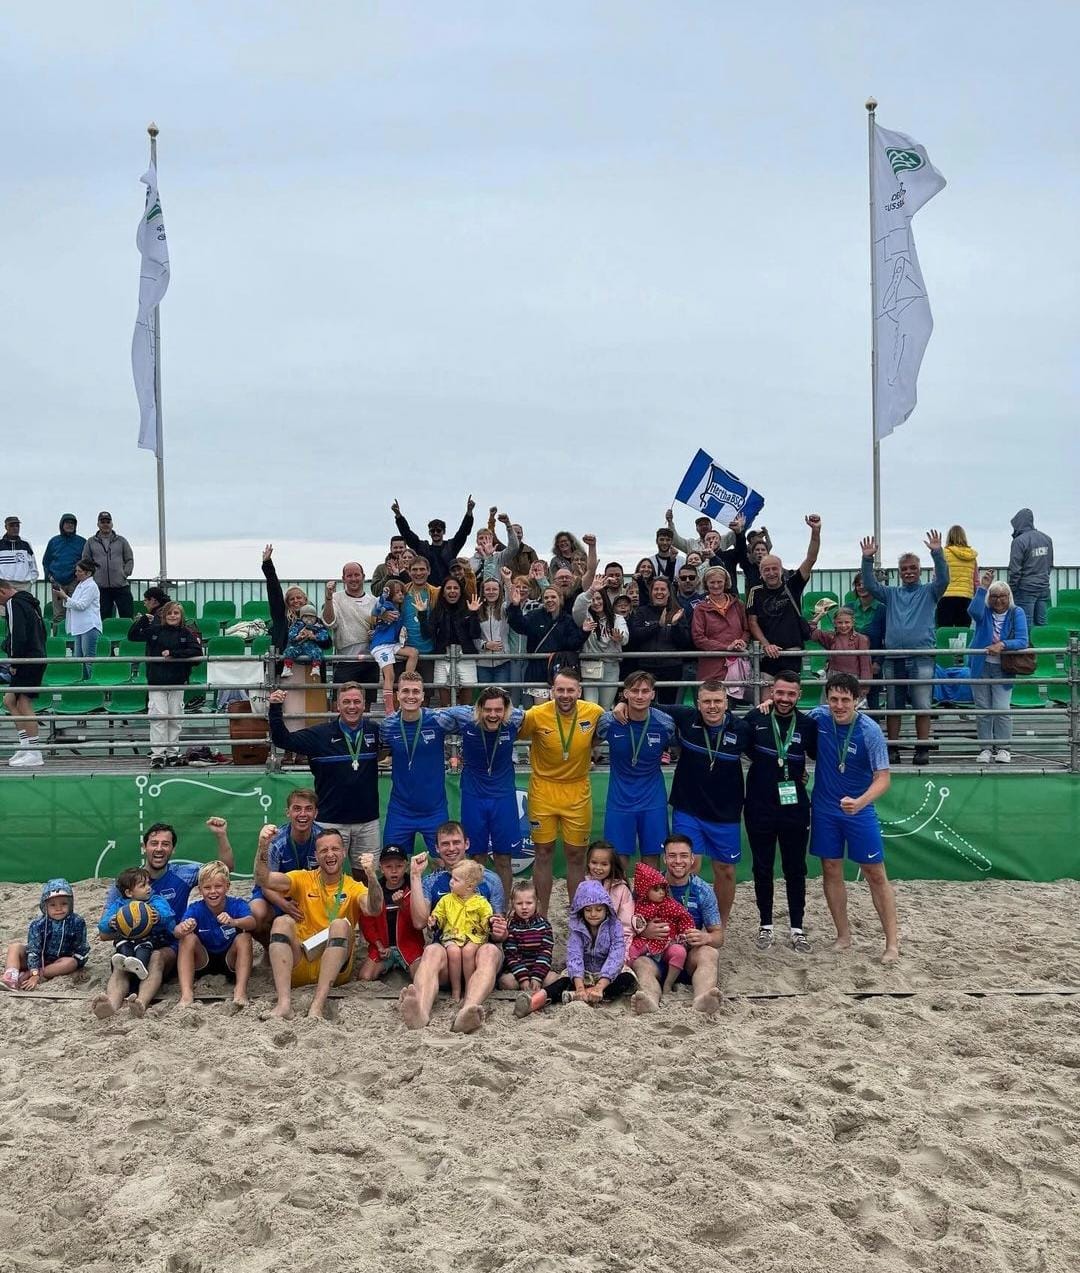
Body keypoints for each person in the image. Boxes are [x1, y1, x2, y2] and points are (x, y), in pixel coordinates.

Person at [801, 671, 898, 963]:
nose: (839, 705)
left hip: (859, 809)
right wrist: (766, 705)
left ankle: (892, 943)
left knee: (875, 873)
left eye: (845, 699)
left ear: (857, 700)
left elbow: (883, 778)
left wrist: (860, 802)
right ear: (827, 699)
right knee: (830, 868)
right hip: (825, 808)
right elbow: (786, 720)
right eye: (834, 699)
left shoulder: (869, 730)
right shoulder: (818, 717)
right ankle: (843, 936)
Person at [90, 821, 233, 1020]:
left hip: (167, 946)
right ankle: (110, 1006)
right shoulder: (125, 883)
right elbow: (104, 934)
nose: (159, 848)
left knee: (156, 957)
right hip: (131, 945)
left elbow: (224, 869)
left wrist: (220, 835)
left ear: (173, 849)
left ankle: (140, 1003)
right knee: (121, 967)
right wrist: (122, 923)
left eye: (165, 844)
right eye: (154, 843)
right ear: (144, 847)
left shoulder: (184, 873)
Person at [253, 825, 383, 1019]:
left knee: (339, 924)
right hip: (300, 962)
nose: (330, 854)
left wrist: (371, 876)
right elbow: (263, 879)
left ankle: (317, 1006)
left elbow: (374, 908)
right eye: (324, 850)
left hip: (335, 971)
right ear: (316, 855)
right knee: (281, 922)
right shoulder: (303, 878)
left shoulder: (354, 886)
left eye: (335, 849)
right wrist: (263, 847)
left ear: (344, 853)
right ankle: (284, 1004)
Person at [398, 824, 507, 1033]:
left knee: (490, 950)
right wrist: (415, 876)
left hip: (479, 955)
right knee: (431, 950)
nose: (451, 848)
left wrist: (500, 931)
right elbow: (420, 922)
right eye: (445, 844)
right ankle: (420, 1012)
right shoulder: (432, 880)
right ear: (437, 848)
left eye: (456, 842)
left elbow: (498, 926)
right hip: (448, 956)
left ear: (466, 843)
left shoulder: (490, 880)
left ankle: (467, 1010)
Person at [741, 669, 818, 952]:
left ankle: (797, 928)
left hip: (794, 808)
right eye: (780, 693)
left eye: (791, 694)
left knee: (795, 868)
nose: (785, 699)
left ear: (799, 695)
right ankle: (766, 925)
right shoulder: (755, 719)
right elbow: (741, 745)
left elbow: (819, 753)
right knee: (762, 868)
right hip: (759, 806)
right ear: (771, 692)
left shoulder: (808, 725)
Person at [267, 683, 381, 870]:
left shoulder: (374, 731)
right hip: (330, 822)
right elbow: (282, 740)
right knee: (326, 876)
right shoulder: (319, 735)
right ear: (337, 705)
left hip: (367, 822)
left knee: (367, 877)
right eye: (346, 702)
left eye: (356, 701)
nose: (351, 706)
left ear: (364, 705)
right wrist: (275, 708)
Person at [517, 670, 604, 913]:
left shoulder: (594, 712)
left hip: (577, 790)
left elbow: (599, 736)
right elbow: (510, 729)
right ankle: (541, 914)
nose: (565, 695)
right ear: (552, 691)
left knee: (576, 856)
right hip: (543, 790)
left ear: (579, 691)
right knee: (543, 853)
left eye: (570, 690)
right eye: (560, 690)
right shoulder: (536, 715)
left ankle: (577, 913)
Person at [860, 531, 949, 766]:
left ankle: (922, 749)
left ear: (920, 570)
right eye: (904, 569)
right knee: (893, 706)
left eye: (912, 568)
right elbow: (869, 584)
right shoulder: (890, 594)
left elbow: (944, 579)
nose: (909, 572)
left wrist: (937, 553)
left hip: (922, 657)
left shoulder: (930, 591)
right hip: (894, 658)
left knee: (922, 705)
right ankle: (893, 749)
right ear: (899, 573)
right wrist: (867, 559)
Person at [663, 679, 747, 923]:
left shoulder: (742, 728)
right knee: (686, 865)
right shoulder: (686, 717)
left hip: (725, 812)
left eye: (717, 701)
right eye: (707, 702)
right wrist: (622, 705)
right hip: (688, 807)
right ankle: (679, 920)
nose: (712, 707)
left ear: (726, 703)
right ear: (698, 703)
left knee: (726, 871)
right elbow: (648, 703)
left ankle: (717, 924)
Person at [436, 687, 524, 901]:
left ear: (506, 710)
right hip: (474, 796)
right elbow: (435, 714)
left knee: (503, 857)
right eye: (487, 710)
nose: (493, 715)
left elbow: (546, 713)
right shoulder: (466, 719)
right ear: (478, 709)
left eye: (498, 710)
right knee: (476, 857)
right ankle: (476, 905)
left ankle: (502, 908)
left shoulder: (516, 719)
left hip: (503, 797)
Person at [629, 834, 723, 1015]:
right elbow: (627, 923)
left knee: (710, 952)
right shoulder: (648, 886)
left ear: (692, 859)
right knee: (641, 963)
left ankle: (702, 999)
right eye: (672, 856)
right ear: (664, 859)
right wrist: (643, 931)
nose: (678, 861)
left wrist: (706, 936)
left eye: (684, 855)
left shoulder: (703, 890)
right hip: (656, 956)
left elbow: (719, 936)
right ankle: (649, 1000)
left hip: (688, 957)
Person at [514, 880, 636, 1014]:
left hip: (607, 973)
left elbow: (616, 955)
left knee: (626, 980)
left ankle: (575, 996)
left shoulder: (615, 926)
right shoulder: (577, 928)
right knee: (561, 983)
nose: (593, 914)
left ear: (607, 909)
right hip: (583, 973)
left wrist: (600, 986)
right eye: (588, 910)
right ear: (581, 910)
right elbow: (574, 956)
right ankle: (533, 1002)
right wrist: (579, 987)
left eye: (598, 909)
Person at [597, 671, 674, 866]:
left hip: (652, 800)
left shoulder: (665, 723)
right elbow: (587, 743)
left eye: (645, 691)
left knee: (651, 859)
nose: (640, 696)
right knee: (618, 860)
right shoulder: (608, 722)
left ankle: (647, 898)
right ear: (626, 694)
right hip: (620, 800)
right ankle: (620, 897)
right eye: (635, 691)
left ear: (652, 694)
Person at [379, 670, 454, 855]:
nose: (410, 696)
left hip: (434, 811)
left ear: (422, 696)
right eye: (405, 691)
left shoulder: (438, 720)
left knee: (443, 864)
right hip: (400, 811)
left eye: (415, 691)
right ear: (397, 695)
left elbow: (472, 721)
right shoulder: (388, 726)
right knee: (394, 866)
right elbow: (380, 751)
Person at [746, 515, 822, 682]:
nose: (771, 573)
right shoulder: (755, 591)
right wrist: (766, 645)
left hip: (792, 653)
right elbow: (752, 622)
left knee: (787, 697)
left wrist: (815, 532)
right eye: (766, 570)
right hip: (767, 656)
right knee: (765, 700)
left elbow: (811, 559)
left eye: (774, 569)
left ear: (781, 570)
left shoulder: (793, 584)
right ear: (761, 573)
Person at [238, 789, 324, 935]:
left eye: (308, 809)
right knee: (254, 914)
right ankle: (268, 948)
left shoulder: (322, 839)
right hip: (275, 892)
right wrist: (284, 905)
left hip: (311, 893)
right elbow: (265, 883)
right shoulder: (277, 841)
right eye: (297, 808)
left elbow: (329, 879)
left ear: (316, 813)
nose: (303, 814)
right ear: (288, 812)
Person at [128, 600, 202, 769]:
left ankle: (172, 753)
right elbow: (132, 635)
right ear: (163, 616)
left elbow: (197, 651)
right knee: (159, 718)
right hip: (157, 682)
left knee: (175, 719)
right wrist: (143, 620)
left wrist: (174, 654)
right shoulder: (154, 631)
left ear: (181, 615)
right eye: (169, 613)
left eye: (176, 613)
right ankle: (158, 755)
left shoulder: (186, 633)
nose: (172, 616)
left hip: (177, 682)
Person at [172, 861, 256, 1010]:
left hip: (230, 960)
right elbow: (176, 932)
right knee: (187, 938)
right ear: (200, 890)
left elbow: (252, 923)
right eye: (207, 887)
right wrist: (183, 928)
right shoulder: (196, 908)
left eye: (218, 886)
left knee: (244, 938)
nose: (213, 891)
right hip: (203, 960)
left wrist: (234, 921)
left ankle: (240, 991)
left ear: (227, 887)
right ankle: (186, 994)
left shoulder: (237, 904)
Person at [968, 571, 1029, 765]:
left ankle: (1003, 748)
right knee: (983, 709)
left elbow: (1022, 640)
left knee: (1002, 708)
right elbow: (973, 611)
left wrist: (1002, 645)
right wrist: (983, 587)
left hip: (1003, 667)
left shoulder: (1016, 612)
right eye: (994, 596)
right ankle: (985, 748)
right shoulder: (984, 611)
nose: (998, 600)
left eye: (1002, 596)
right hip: (980, 666)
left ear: (1009, 597)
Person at [2, 879, 90, 991]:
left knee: (71, 963)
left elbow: (81, 948)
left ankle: (28, 974)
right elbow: (34, 950)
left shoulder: (77, 922)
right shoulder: (38, 924)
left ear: (71, 904)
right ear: (45, 906)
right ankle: (11, 977)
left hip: (59, 962)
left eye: (63, 903)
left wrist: (79, 966)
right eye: (53, 905)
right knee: (15, 947)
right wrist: (34, 971)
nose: (58, 908)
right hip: (37, 959)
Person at [356, 844, 427, 981]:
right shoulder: (376, 891)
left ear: (406, 866)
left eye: (399, 866)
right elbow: (368, 923)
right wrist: (379, 946)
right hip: (384, 948)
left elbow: (417, 923)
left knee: (420, 977)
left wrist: (403, 905)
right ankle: (389, 963)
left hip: (409, 946)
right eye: (388, 867)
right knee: (365, 976)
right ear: (381, 868)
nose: (394, 871)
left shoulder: (414, 888)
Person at [507, 583, 587, 699]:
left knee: (560, 709)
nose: (549, 600)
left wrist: (584, 632)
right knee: (542, 712)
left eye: (553, 597)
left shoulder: (567, 620)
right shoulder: (535, 616)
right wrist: (515, 606)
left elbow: (572, 644)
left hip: (560, 670)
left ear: (560, 599)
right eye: (546, 598)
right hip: (538, 670)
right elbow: (519, 626)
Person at [428, 859, 493, 1001]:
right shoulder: (446, 900)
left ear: (469, 886)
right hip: (452, 936)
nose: (451, 882)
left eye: (456, 880)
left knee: (469, 951)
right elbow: (439, 915)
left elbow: (486, 918)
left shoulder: (481, 902)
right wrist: (435, 921)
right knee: (453, 951)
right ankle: (456, 990)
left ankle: (470, 988)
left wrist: (490, 921)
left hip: (474, 937)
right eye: (452, 877)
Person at [100, 866, 177, 982]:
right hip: (127, 937)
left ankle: (140, 965)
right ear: (129, 892)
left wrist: (159, 917)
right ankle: (123, 961)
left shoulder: (155, 900)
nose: (149, 888)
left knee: (145, 946)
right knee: (122, 944)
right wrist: (111, 923)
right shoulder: (119, 905)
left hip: (151, 938)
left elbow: (169, 915)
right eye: (143, 886)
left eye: (148, 884)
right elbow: (102, 926)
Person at [627, 862, 695, 992]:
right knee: (630, 952)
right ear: (644, 889)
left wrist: (684, 934)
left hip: (667, 942)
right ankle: (631, 980)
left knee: (679, 952)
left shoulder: (670, 904)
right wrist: (641, 930)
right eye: (656, 889)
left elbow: (685, 917)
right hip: (645, 941)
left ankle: (669, 983)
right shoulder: (637, 904)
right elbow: (630, 923)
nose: (661, 893)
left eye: (663, 888)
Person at [1, 578, 47, 768]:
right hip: (35, 656)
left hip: (27, 659)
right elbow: (42, 632)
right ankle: (25, 745)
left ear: (2, 591)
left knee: (23, 702)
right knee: (9, 701)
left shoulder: (13, 603)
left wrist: (14, 660)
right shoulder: (31, 603)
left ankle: (35, 752)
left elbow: (17, 634)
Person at [626, 577, 693, 706]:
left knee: (669, 706)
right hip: (646, 667)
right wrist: (658, 625)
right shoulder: (642, 611)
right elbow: (635, 636)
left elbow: (685, 642)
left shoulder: (678, 612)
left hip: (671, 667)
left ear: (669, 592)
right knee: (646, 705)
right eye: (656, 589)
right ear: (651, 592)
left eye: (663, 589)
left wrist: (675, 625)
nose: (659, 592)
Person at [422, 576, 483, 706]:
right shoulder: (437, 610)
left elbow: (475, 634)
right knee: (444, 695)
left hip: (466, 654)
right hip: (443, 654)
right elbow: (427, 634)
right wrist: (421, 614)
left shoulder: (468, 608)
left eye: (456, 588)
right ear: (443, 593)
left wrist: (473, 614)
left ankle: (464, 722)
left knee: (467, 693)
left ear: (460, 591)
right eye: (448, 588)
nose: (452, 591)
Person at [393, 495, 476, 587]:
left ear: (444, 532)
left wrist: (469, 513)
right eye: (432, 531)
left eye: (438, 530)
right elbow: (407, 534)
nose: (435, 533)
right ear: (429, 533)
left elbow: (463, 532)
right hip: (428, 589)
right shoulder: (423, 548)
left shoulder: (451, 546)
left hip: (448, 589)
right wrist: (398, 516)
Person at [321, 561, 378, 694]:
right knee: (340, 702)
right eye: (349, 575)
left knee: (366, 704)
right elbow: (329, 623)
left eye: (356, 575)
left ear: (363, 577)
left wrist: (376, 633)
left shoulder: (374, 601)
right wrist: (328, 598)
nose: (353, 579)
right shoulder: (335, 598)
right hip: (345, 659)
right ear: (343, 579)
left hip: (370, 659)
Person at [691, 566, 749, 686]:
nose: (716, 586)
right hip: (711, 667)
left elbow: (747, 630)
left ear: (726, 583)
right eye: (712, 582)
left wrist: (742, 642)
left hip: (737, 664)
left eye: (719, 582)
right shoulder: (700, 609)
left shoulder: (738, 604)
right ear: (706, 584)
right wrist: (726, 647)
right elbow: (698, 638)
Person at [573, 582, 628, 708]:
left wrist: (619, 638)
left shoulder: (617, 618)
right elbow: (577, 608)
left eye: (599, 598)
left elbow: (625, 638)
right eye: (592, 600)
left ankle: (603, 728)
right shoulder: (586, 618)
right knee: (591, 706)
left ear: (605, 599)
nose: (596, 602)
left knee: (605, 706)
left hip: (611, 666)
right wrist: (590, 591)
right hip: (590, 666)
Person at [500, 879, 556, 999]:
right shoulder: (510, 926)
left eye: (529, 903)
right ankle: (525, 985)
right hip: (517, 972)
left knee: (552, 979)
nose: (524, 907)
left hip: (539, 969)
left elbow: (545, 952)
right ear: (512, 903)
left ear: (536, 902)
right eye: (519, 904)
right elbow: (512, 955)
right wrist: (523, 978)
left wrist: (537, 977)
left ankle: (536, 984)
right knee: (506, 982)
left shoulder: (545, 925)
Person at [369, 580, 419, 713]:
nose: (401, 595)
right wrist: (383, 596)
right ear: (390, 593)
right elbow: (376, 610)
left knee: (413, 653)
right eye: (397, 592)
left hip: (393, 644)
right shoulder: (388, 605)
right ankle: (389, 708)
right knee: (389, 675)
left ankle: (406, 681)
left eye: (402, 592)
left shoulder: (399, 608)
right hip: (381, 645)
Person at [583, 839, 635, 951]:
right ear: (588, 862)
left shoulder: (622, 890)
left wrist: (621, 954)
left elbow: (626, 927)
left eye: (604, 864)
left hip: (615, 946)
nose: (598, 868)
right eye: (594, 863)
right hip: (588, 947)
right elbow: (577, 923)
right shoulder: (583, 887)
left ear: (612, 865)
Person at [80, 512, 134, 618]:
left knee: (127, 615)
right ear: (98, 524)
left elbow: (129, 559)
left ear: (112, 524)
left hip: (121, 586)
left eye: (108, 522)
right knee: (102, 617)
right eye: (102, 522)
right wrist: (92, 577)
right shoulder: (90, 542)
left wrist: (125, 573)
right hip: (100, 588)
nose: (105, 524)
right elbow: (85, 561)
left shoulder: (122, 541)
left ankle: (128, 634)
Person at [1008, 509, 1054, 629]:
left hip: (1025, 589)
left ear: (1018, 523)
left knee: (1024, 624)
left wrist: (1011, 590)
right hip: (1043, 587)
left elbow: (1015, 570)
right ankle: (1042, 646)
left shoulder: (1019, 541)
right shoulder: (1047, 539)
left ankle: (1027, 647)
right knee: (1041, 624)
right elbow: (1050, 564)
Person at [810, 606, 872, 691]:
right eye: (840, 622)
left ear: (853, 622)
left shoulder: (861, 639)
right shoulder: (830, 637)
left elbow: (865, 665)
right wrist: (819, 616)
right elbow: (810, 632)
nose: (843, 626)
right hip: (833, 678)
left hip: (853, 680)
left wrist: (865, 685)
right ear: (834, 623)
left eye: (847, 622)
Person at [850, 573, 887, 711]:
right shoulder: (848, 607)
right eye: (858, 584)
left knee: (873, 706)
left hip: (873, 666)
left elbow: (887, 639)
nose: (861, 587)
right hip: (849, 665)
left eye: (865, 584)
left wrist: (878, 662)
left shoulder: (883, 610)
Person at [59, 560, 102, 677]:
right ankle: (81, 682)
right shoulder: (80, 585)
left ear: (88, 573)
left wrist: (65, 597)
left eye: (79, 571)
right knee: (78, 659)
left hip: (89, 626)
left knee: (88, 659)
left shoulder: (91, 586)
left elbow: (81, 605)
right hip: (79, 626)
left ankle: (89, 684)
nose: (76, 573)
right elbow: (73, 604)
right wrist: (64, 598)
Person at [42, 514, 85, 628]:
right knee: (58, 615)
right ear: (62, 525)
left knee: (75, 612)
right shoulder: (53, 541)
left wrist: (80, 578)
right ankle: (58, 639)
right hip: (57, 583)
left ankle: (74, 642)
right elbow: (46, 561)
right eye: (67, 523)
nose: (70, 525)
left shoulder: (82, 542)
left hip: (75, 582)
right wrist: (49, 576)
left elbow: (86, 562)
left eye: (72, 523)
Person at [937, 525, 979, 627]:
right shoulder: (972, 557)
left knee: (944, 633)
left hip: (946, 597)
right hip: (965, 598)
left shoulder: (944, 553)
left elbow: (937, 576)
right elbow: (976, 581)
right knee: (963, 633)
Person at [475, 574, 512, 686]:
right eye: (488, 589)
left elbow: (512, 600)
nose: (491, 592)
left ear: (500, 591)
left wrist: (507, 581)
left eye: (495, 589)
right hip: (483, 662)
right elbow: (472, 634)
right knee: (485, 695)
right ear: (483, 592)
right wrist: (484, 645)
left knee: (501, 694)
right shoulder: (477, 609)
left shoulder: (505, 608)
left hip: (502, 661)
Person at [280, 602, 332, 681]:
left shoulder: (318, 626)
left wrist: (314, 637)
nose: (309, 619)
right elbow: (291, 635)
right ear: (302, 617)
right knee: (289, 651)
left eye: (311, 617)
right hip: (298, 646)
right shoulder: (297, 625)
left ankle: (316, 667)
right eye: (306, 617)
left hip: (311, 647)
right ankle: (287, 667)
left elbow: (324, 636)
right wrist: (298, 637)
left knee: (317, 652)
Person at [469, 511, 520, 582]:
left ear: (492, 540)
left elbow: (514, 548)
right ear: (477, 541)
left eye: (488, 538)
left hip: (494, 592)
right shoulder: (469, 562)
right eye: (481, 538)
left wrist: (508, 525)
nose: (484, 541)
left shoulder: (499, 558)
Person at [0, 515, 38, 590]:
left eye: (17, 526)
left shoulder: (26, 544)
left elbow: (33, 565)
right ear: (6, 527)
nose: (15, 528)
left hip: (23, 586)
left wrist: (31, 581)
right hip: (3, 585)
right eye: (11, 526)